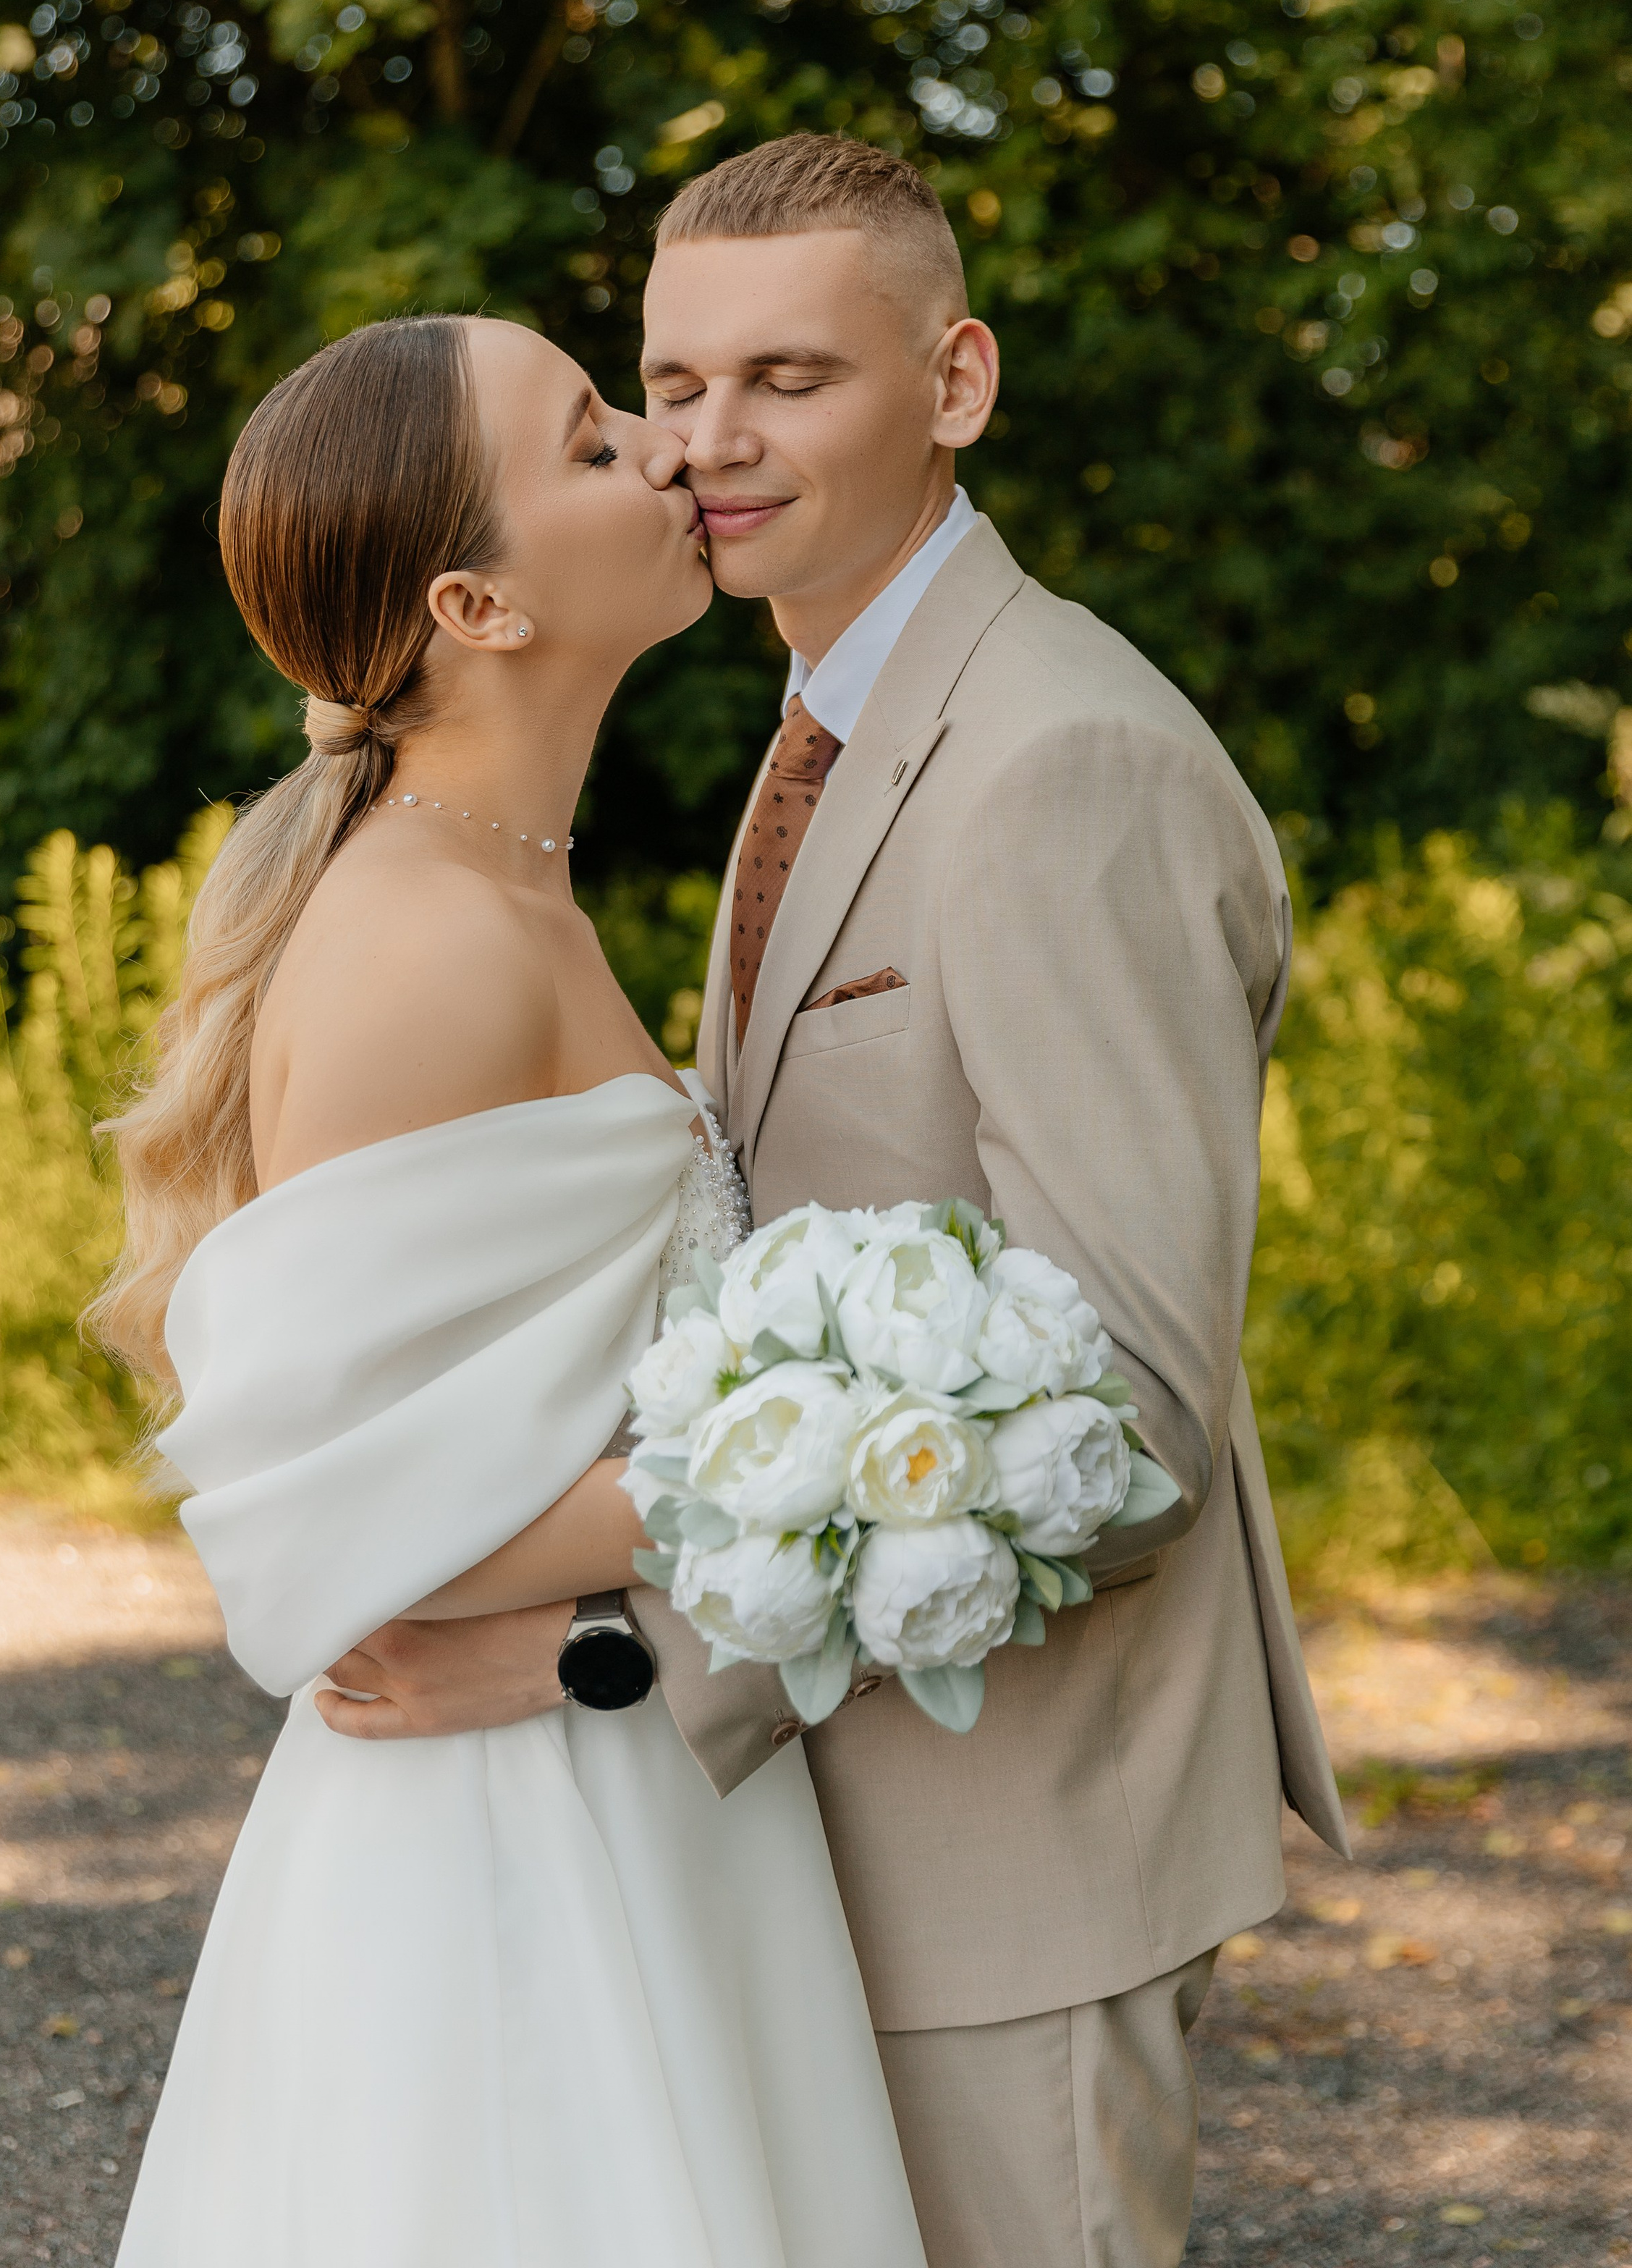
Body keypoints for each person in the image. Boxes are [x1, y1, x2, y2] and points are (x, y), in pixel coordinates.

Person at [334, 134, 1351, 2268]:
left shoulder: (1066, 758)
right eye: (670, 385)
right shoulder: (824, 720)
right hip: (825, 1828)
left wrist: (602, 1661)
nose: (711, 443)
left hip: (1022, 1841)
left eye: (790, 379)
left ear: (955, 382)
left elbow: (1127, 1422)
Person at [101, 311, 928, 2268]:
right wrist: (833, 1452)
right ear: (475, 601)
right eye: (587, 443)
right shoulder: (424, 945)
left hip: (620, 1773)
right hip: (505, 1850)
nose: (662, 452)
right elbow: (327, 1539)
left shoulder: (509, 885)